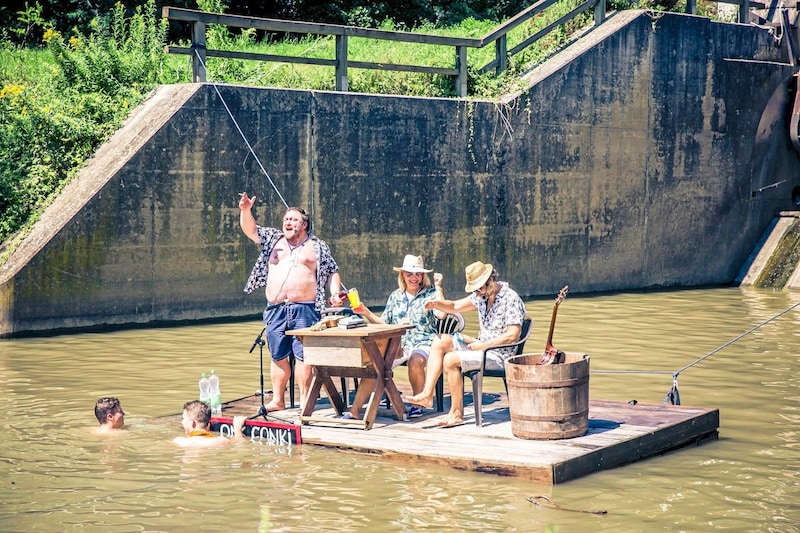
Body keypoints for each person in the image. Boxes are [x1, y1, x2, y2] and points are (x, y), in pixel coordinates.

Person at [240, 193, 343, 412]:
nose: (288, 222)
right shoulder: (272, 239)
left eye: (294, 219)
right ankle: (278, 399)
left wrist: (334, 293)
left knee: (303, 356)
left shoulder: (317, 247)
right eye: (286, 219)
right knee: (277, 355)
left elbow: (332, 270)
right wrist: (245, 210)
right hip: (276, 309)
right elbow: (250, 230)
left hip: (305, 308)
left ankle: (306, 399)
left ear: (304, 224)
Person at [407, 261, 526, 427]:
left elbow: (513, 335)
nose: (477, 293)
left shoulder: (510, 298)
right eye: (475, 290)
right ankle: (427, 394)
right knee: (440, 340)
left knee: (450, 359)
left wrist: (483, 345)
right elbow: (455, 305)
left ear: (490, 281)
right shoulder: (482, 296)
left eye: (479, 289)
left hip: (499, 354)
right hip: (482, 347)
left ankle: (456, 414)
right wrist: (436, 304)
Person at [344, 254, 445, 420]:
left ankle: (416, 404)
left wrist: (439, 288)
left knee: (416, 360)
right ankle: (354, 410)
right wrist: (365, 312)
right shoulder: (395, 296)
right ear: (402, 275)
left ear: (422, 276)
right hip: (398, 344)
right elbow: (384, 323)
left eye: (418, 274)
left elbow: (441, 315)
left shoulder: (431, 293)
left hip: (424, 341)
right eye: (409, 274)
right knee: (374, 364)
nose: (414, 277)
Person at [173, 400, 246, 448]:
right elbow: (239, 443)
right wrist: (237, 428)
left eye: (184, 419)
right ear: (208, 425)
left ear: (193, 424)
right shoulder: (221, 441)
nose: (182, 422)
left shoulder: (180, 442)